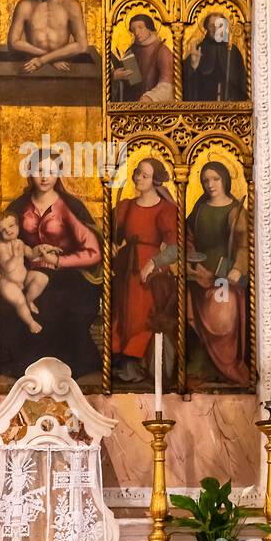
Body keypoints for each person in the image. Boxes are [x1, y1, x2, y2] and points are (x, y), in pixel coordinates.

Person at [0, 149, 102, 383]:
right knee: (10, 296)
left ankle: (64, 367)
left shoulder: (70, 206)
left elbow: (93, 251)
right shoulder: (19, 206)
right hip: (25, 269)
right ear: (30, 174)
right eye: (39, 171)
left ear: (58, 174)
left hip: (67, 272)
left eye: (50, 171)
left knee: (57, 297)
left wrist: (59, 261)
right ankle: (19, 366)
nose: (44, 176)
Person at [111, 158, 178, 384]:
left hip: (150, 271)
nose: (139, 178)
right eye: (138, 173)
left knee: (142, 316)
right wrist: (112, 245)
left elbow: (174, 247)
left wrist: (154, 263)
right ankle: (122, 361)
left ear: (155, 180)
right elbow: (114, 235)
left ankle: (137, 365)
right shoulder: (125, 206)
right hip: (125, 268)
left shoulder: (166, 209)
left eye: (145, 175)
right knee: (123, 314)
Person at [185, 160, 250, 386]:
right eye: (205, 181)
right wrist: (192, 262)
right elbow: (187, 238)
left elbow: (244, 245)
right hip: (200, 272)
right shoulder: (200, 208)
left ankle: (226, 362)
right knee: (186, 304)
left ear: (225, 180)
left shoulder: (235, 211)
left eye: (215, 179)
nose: (210, 184)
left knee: (224, 309)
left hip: (224, 272)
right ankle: (201, 361)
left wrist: (237, 269)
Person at [6, 0, 91, 74]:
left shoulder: (71, 5)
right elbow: (13, 43)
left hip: (63, 69)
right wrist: (51, 59)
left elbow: (82, 45)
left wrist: (43, 60)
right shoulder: (25, 6)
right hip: (31, 66)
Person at [0, 210, 53, 334]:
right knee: (19, 301)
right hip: (6, 283)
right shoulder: (0, 246)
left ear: (17, 226)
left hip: (22, 279)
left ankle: (29, 299)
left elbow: (32, 255)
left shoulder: (19, 242)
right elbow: (8, 268)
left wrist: (42, 249)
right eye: (3, 229)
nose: (8, 231)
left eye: (11, 226)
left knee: (42, 278)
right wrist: (15, 256)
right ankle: (31, 323)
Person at [184, 12, 248, 101]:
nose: (216, 29)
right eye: (211, 26)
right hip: (203, 105)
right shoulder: (198, 50)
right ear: (206, 28)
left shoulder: (233, 51)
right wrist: (193, 67)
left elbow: (242, 83)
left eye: (220, 26)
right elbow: (186, 84)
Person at [112, 14, 173, 102]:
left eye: (140, 27)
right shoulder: (131, 51)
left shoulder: (162, 50)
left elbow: (167, 84)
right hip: (132, 105)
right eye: (133, 30)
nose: (136, 33)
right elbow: (130, 83)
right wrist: (115, 76)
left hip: (152, 105)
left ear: (149, 28)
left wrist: (151, 97)